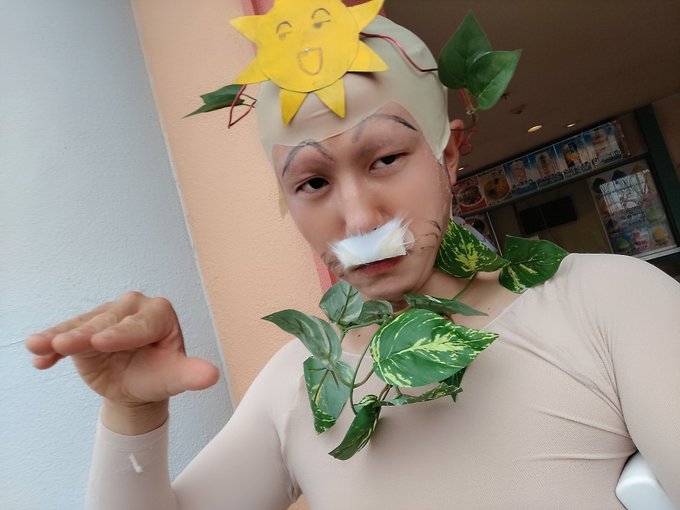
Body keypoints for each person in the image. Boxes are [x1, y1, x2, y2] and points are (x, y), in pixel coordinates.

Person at [26, 7, 680, 510]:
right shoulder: (298, 382)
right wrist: (134, 413)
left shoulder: (609, 303)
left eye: (386, 159)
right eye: (312, 182)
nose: (361, 218)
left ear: (449, 155)